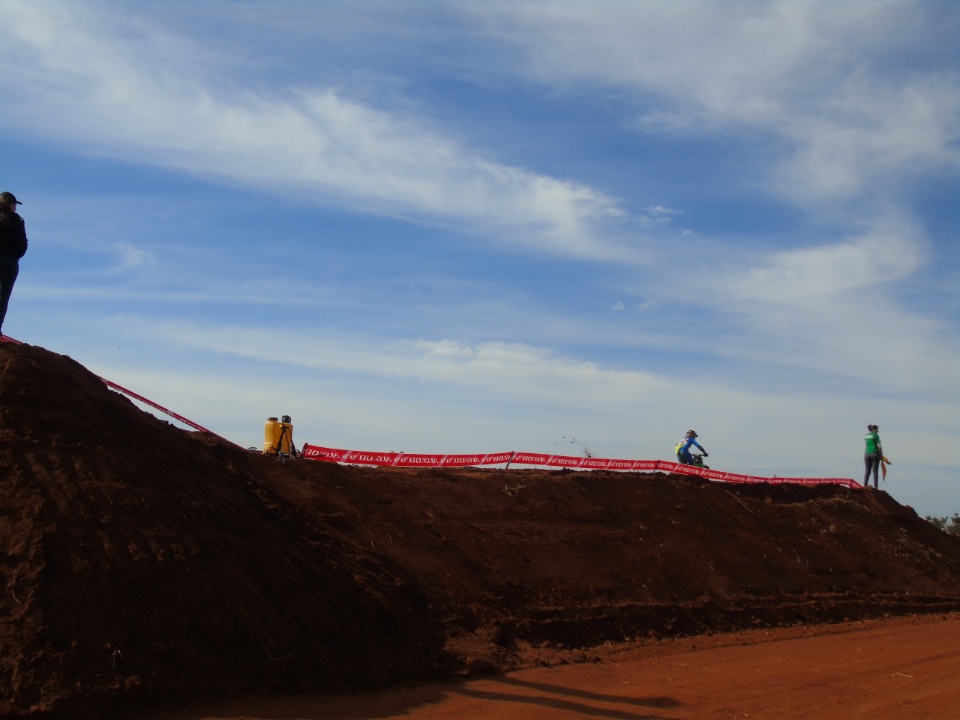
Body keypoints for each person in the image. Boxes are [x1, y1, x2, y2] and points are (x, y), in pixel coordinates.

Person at [0, 191, 28, 337]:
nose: (15, 208)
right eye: (14, 205)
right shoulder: (17, 221)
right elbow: (23, 245)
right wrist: (14, 256)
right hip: (9, 263)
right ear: (10, 204)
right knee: (2, 297)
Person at [863, 424, 884, 489]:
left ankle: (865, 485)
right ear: (874, 429)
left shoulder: (866, 436)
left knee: (867, 470)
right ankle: (876, 486)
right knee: (875, 471)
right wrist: (881, 455)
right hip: (874, 453)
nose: (878, 431)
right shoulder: (876, 436)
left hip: (866, 453)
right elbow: (879, 446)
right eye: (877, 429)